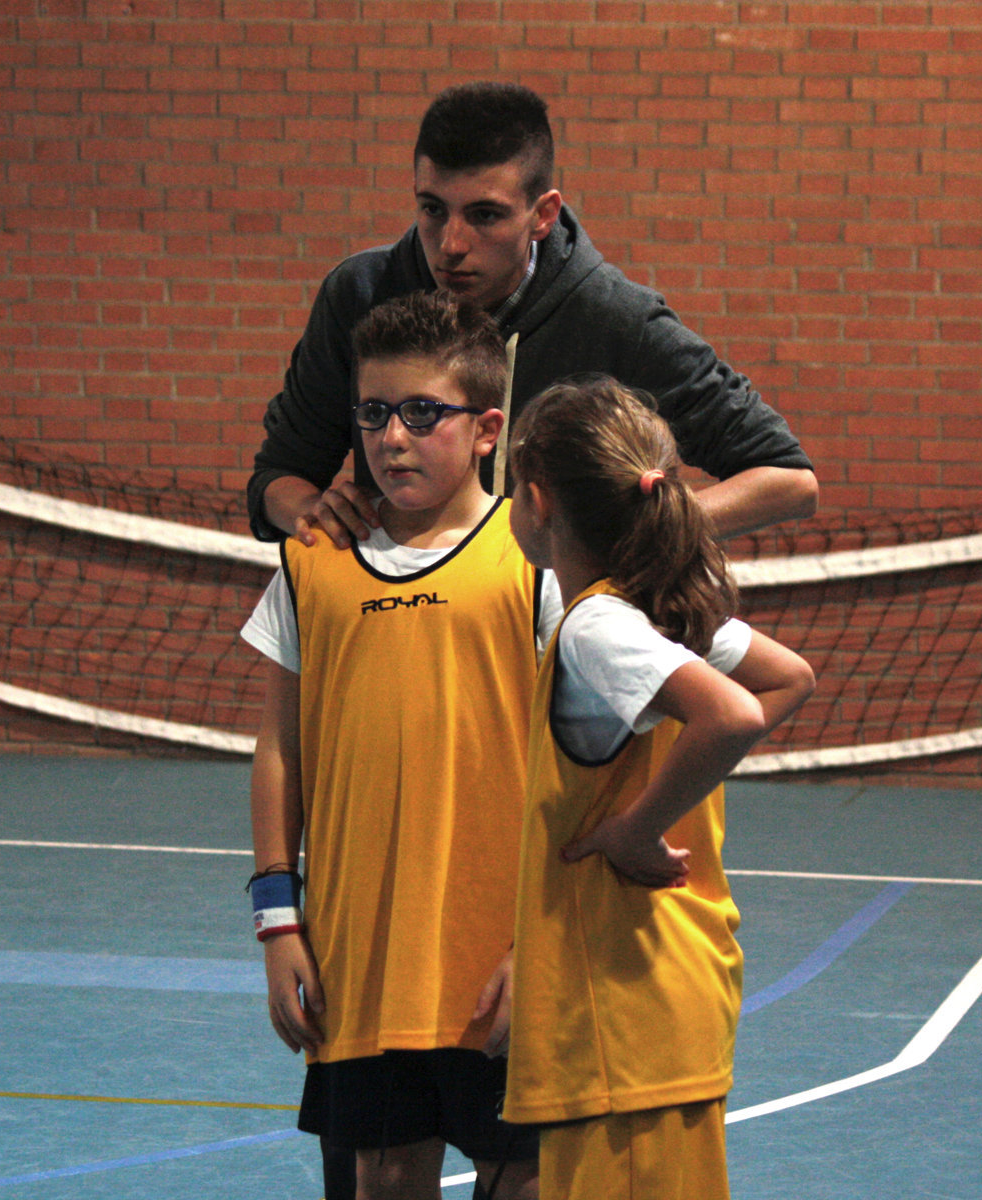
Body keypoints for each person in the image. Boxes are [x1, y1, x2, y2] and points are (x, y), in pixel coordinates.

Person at [241, 291, 548, 1200]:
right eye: (373, 414)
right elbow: (279, 750)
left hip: (502, 959)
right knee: (378, 1178)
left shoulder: (537, 564)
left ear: (487, 429)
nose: (393, 438)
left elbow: (584, 774)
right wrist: (278, 923)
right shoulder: (311, 563)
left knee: (525, 1179)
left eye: (422, 413)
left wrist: (543, 941)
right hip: (357, 960)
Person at [247, 80, 817, 553]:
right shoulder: (359, 294)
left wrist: (624, 534)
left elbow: (789, 481)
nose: (451, 244)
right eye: (432, 209)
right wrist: (310, 510)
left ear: (543, 214)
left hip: (552, 638)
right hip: (402, 623)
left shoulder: (614, 317)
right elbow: (277, 477)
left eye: (485, 215)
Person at [501, 378, 815, 1200]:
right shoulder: (659, 609)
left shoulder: (598, 624)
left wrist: (636, 828)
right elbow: (789, 677)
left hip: (621, 1013)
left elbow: (732, 714)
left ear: (537, 501)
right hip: (667, 989)